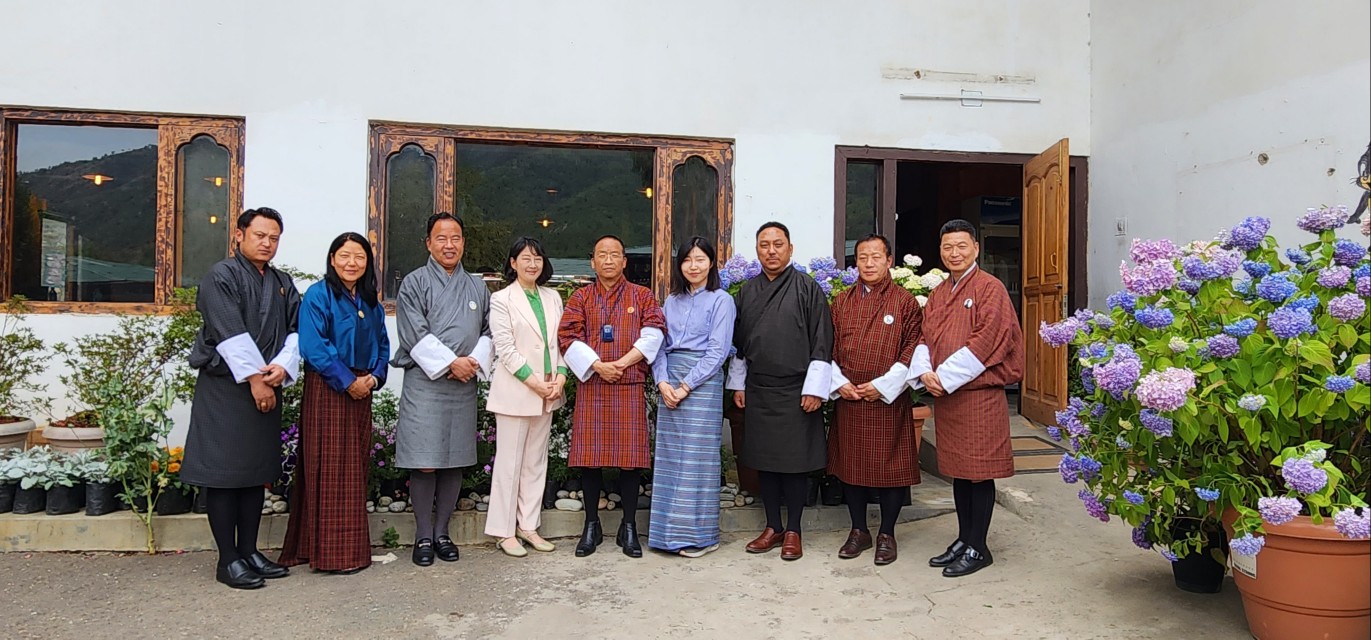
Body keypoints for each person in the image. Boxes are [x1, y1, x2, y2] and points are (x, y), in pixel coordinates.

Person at [182, 207, 301, 590]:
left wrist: (281, 368)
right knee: (224, 475)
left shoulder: (282, 282)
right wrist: (256, 379)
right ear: (239, 235)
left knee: (254, 475)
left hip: (268, 381)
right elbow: (229, 331)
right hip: (227, 388)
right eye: (260, 235)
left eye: (274, 237)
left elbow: (297, 331)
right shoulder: (222, 276)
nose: (267, 243)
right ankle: (227, 559)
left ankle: (249, 551)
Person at [910, 219, 1024, 578]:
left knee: (979, 473)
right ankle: (964, 538)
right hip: (949, 397)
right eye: (947, 247)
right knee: (959, 472)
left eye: (961, 246)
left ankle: (979, 545)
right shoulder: (942, 292)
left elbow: (986, 341)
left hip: (978, 396)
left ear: (976, 248)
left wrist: (942, 378)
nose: (954, 253)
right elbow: (925, 336)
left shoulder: (990, 289)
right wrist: (925, 372)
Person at [278, 232, 390, 574]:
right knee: (327, 468)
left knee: (354, 468)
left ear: (368, 262)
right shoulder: (318, 295)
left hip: (362, 388)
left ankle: (348, 550)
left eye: (359, 257)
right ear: (332, 259)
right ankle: (329, 554)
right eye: (345, 256)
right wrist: (346, 381)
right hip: (329, 388)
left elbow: (383, 345)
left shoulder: (370, 302)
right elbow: (314, 346)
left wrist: (373, 378)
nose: (352, 263)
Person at [726, 221, 833, 561]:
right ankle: (772, 526)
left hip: (797, 389)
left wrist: (815, 388)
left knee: (794, 464)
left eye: (777, 244)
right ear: (756, 249)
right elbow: (740, 343)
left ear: (790, 248)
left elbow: (822, 340)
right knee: (765, 462)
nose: (771, 250)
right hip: (760, 389)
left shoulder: (807, 288)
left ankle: (794, 530)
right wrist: (739, 384)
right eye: (764, 245)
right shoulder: (747, 291)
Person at [391, 212, 493, 567]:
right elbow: (413, 332)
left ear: (463, 242)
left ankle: (442, 532)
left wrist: (473, 362)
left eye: (456, 238)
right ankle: (422, 535)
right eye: (441, 238)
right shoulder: (415, 283)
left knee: (454, 459)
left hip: (463, 382)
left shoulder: (477, 286)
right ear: (429, 243)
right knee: (425, 460)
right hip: (426, 382)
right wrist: (451, 362)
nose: (449, 245)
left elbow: (488, 331)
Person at [558, 235, 666, 558]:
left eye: (614, 255)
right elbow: (567, 337)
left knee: (630, 462)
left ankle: (628, 526)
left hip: (629, 383)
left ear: (624, 262)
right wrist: (598, 366)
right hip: (594, 384)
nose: (608, 260)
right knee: (589, 460)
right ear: (592, 262)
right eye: (602, 255)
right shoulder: (580, 298)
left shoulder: (642, 296)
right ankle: (591, 525)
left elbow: (655, 332)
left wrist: (620, 363)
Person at [827, 233, 923, 565]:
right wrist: (840, 383)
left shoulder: (905, 302)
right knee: (852, 467)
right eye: (862, 257)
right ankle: (858, 530)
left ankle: (887, 533)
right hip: (850, 395)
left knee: (890, 468)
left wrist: (883, 385)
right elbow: (828, 345)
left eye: (875, 257)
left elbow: (913, 346)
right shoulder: (841, 302)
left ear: (889, 261)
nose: (868, 263)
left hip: (887, 399)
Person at [648, 237, 735, 558]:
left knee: (697, 460)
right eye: (687, 260)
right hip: (669, 382)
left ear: (711, 263)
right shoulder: (670, 301)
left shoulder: (721, 300)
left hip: (702, 384)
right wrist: (662, 382)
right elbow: (658, 343)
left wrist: (685, 385)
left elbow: (718, 351)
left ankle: (699, 537)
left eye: (700, 259)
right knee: (671, 460)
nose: (694, 266)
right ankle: (666, 535)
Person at [484, 237, 568, 557]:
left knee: (535, 461)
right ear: (513, 263)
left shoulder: (552, 297)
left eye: (537, 258)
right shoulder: (503, 299)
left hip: (549, 390)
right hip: (517, 391)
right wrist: (535, 383)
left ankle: (528, 526)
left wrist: (560, 377)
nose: (532, 264)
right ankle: (504, 531)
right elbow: (505, 350)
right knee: (509, 463)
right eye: (525, 258)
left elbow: (561, 342)